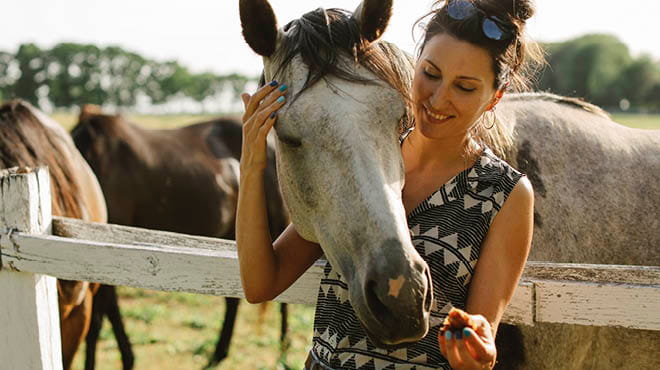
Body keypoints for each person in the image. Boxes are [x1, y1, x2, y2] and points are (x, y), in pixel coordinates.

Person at [237, 0, 542, 368]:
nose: (438, 98)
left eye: (464, 87)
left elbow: (481, 333)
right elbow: (260, 284)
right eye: (430, 73)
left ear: (495, 97)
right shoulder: (357, 159)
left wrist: (476, 352)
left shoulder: (503, 193)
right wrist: (252, 163)